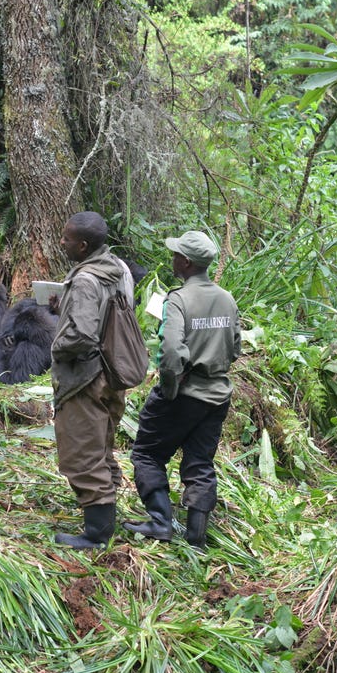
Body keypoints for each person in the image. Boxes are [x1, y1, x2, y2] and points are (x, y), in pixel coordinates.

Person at [123, 230, 240, 549]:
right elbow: (235, 346)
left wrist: (170, 388)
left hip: (183, 392)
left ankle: (160, 522)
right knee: (200, 462)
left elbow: (172, 352)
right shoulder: (226, 298)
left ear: (186, 263)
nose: (172, 258)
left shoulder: (178, 299)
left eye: (176, 254)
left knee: (147, 453)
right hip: (217, 394)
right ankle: (196, 538)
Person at [49, 212, 136, 549]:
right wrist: (64, 311)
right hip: (114, 371)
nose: (62, 242)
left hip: (86, 378)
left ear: (83, 246)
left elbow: (83, 336)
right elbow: (107, 318)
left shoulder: (85, 281)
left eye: (67, 238)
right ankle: (107, 517)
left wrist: (57, 343)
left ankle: (97, 535)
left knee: (82, 453)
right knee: (102, 447)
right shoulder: (119, 269)